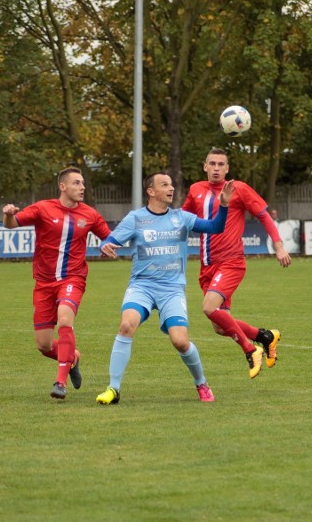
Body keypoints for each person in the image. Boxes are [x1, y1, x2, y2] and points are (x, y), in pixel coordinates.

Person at [95, 173, 235, 405]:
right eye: (165, 185)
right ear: (150, 191)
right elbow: (108, 240)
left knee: (180, 341)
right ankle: (113, 388)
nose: (171, 188)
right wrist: (106, 245)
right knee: (126, 324)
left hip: (172, 289)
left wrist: (224, 204)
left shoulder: (182, 218)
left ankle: (201, 383)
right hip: (142, 286)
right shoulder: (136, 218)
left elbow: (216, 227)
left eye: (171, 184)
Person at [3, 167, 111, 400]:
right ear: (63, 187)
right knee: (43, 345)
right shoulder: (43, 208)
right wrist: (9, 213)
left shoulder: (90, 214)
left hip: (73, 278)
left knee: (65, 319)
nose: (82, 187)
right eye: (76, 183)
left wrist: (109, 244)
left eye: (83, 183)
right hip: (43, 283)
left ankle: (60, 383)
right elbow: (10, 225)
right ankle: (73, 357)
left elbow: (109, 236)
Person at [182, 148, 291, 379]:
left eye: (221, 164)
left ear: (227, 168)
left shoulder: (238, 189)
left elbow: (263, 215)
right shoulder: (195, 191)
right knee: (220, 327)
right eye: (212, 163)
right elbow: (182, 220)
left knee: (208, 307)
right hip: (206, 267)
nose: (216, 168)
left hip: (231, 263)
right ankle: (265, 337)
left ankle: (251, 350)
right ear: (205, 166)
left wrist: (279, 245)